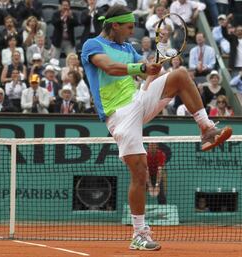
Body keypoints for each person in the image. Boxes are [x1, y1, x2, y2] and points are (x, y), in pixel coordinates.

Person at [81, 4, 232, 251]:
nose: (131, 32)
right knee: (140, 171)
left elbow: (146, 71)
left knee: (180, 75)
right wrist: (141, 68)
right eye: (129, 27)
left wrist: (154, 63)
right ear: (115, 25)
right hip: (119, 114)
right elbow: (109, 67)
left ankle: (206, 128)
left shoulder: (128, 47)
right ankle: (140, 234)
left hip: (138, 99)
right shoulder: (92, 45)